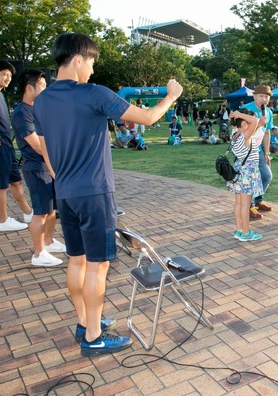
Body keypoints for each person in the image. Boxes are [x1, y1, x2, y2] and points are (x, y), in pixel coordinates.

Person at [33, 33, 183, 356]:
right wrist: (171, 96)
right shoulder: (93, 94)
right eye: (90, 62)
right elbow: (147, 118)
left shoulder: (42, 101)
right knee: (98, 266)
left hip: (66, 193)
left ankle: (85, 321)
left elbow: (47, 153)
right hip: (95, 192)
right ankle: (93, 336)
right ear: (77, 59)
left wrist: (65, 179)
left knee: (77, 259)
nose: (91, 70)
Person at [11, 69, 64, 266]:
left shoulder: (39, 109)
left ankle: (49, 243)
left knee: (51, 211)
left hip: (48, 166)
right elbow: (37, 145)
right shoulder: (21, 113)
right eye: (42, 85)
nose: (45, 88)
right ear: (29, 87)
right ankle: (38, 253)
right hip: (37, 168)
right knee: (41, 212)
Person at [0, 60, 34, 232]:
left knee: (16, 182)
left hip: (7, 146)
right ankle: (3, 221)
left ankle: (28, 213)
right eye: (4, 74)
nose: (8, 78)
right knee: (1, 185)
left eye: (10, 75)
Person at [226, 109, 264, 241]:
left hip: (238, 171)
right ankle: (246, 233)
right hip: (247, 173)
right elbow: (254, 121)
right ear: (244, 124)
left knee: (238, 204)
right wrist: (240, 114)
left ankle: (239, 230)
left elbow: (254, 123)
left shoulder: (235, 134)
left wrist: (239, 117)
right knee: (245, 205)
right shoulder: (245, 137)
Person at [242, 85, 274, 219]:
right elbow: (241, 132)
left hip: (258, 149)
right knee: (249, 179)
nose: (263, 99)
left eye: (266, 96)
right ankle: (249, 207)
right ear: (254, 96)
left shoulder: (268, 112)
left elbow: (267, 133)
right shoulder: (246, 110)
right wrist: (258, 123)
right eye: (261, 96)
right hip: (245, 149)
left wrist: (266, 153)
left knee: (266, 176)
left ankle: (258, 200)